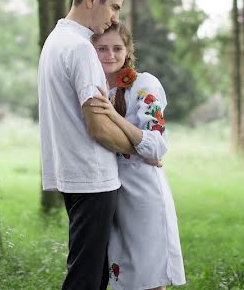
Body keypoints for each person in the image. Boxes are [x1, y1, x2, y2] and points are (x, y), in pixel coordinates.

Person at [38, 0, 137, 290]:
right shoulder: (80, 48)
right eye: (114, 7)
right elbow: (98, 127)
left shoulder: (55, 41)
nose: (114, 18)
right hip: (91, 176)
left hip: (73, 173)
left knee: (90, 272)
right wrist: (139, 146)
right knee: (87, 277)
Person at [88, 22, 186, 290]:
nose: (109, 55)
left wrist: (113, 117)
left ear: (128, 49)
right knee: (124, 282)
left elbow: (155, 147)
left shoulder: (144, 84)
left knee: (150, 280)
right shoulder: (94, 89)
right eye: (102, 49)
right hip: (112, 197)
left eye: (117, 48)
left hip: (144, 197)